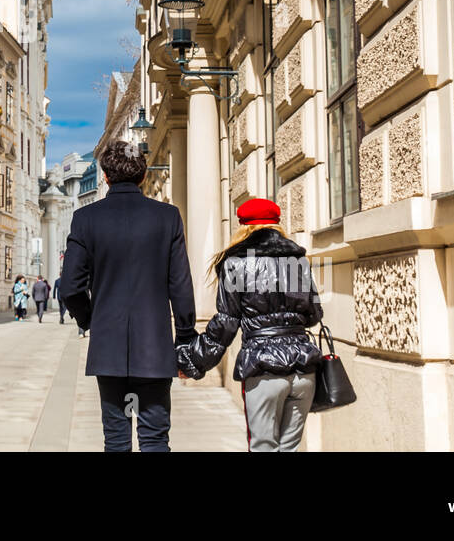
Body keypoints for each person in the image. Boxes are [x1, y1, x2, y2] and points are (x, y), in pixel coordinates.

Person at [60, 140, 197, 452]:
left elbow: (70, 287)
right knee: (155, 439)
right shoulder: (167, 217)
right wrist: (186, 336)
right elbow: (180, 285)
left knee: (117, 441)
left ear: (105, 177)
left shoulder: (86, 218)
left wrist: (90, 319)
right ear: (144, 175)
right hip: (155, 347)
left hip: (108, 347)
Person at [177, 198, 323, 452]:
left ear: (243, 226)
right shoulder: (299, 260)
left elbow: (226, 324)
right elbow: (314, 314)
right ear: (277, 225)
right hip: (303, 368)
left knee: (263, 447)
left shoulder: (235, 263)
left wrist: (193, 361)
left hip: (262, 368)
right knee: (290, 449)